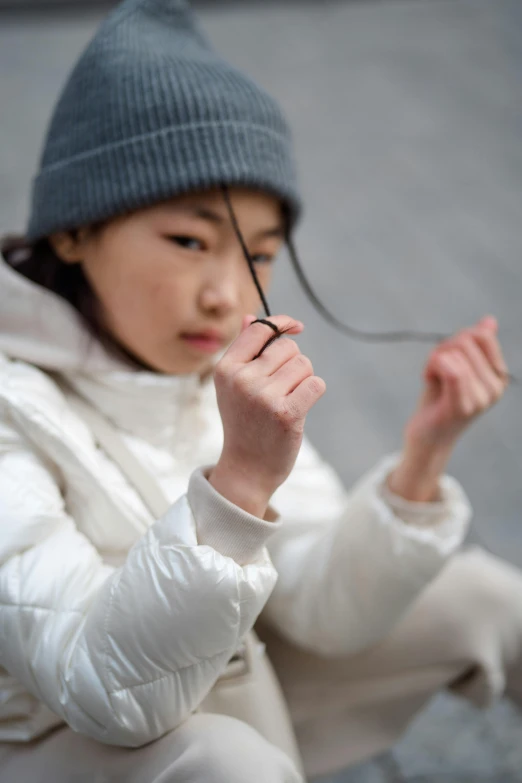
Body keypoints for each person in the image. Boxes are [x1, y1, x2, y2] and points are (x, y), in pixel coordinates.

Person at [0, 1, 522, 781]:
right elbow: (103, 688)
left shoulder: (201, 374)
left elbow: (321, 603)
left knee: (488, 596)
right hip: (58, 739)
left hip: (232, 686)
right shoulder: (13, 404)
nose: (224, 294)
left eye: (260, 252)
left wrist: (424, 455)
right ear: (72, 230)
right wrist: (240, 480)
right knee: (225, 759)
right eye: (187, 240)